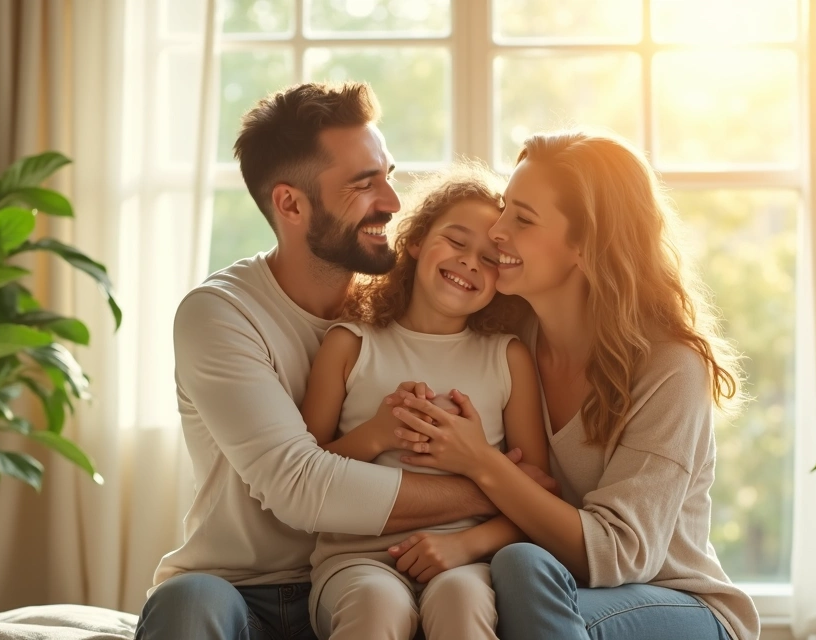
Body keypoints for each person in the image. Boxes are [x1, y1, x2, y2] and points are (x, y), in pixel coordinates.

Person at [133, 83, 554, 640]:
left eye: (387, 174)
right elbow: (303, 485)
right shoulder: (220, 314)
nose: (394, 202)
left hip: (391, 576)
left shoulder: (414, 308)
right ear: (291, 204)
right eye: (364, 184)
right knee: (187, 605)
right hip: (247, 588)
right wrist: (497, 481)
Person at [389, 130, 762, 640]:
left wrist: (479, 460)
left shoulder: (671, 368)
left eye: (522, 219)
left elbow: (620, 553)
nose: (497, 230)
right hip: (551, 590)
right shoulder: (508, 339)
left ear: (586, 248)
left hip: (680, 602)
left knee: (521, 565)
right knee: (506, 574)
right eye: (505, 209)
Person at [300, 166, 549, 640]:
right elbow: (303, 476)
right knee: (376, 605)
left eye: (490, 257)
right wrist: (375, 435)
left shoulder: (508, 357)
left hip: (469, 560)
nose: (470, 262)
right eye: (456, 242)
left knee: (462, 600)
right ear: (415, 240)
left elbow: (536, 491)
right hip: (355, 561)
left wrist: (465, 545)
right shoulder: (350, 345)